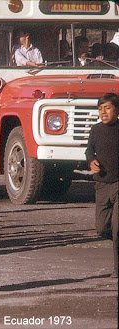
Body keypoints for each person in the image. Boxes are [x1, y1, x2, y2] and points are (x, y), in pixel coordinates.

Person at [85, 93, 119, 278]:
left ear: (117, 110)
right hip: (102, 185)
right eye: (100, 109)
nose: (103, 112)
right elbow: (89, 150)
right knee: (102, 228)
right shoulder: (96, 130)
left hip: (118, 184)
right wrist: (91, 161)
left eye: (107, 108)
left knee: (117, 227)